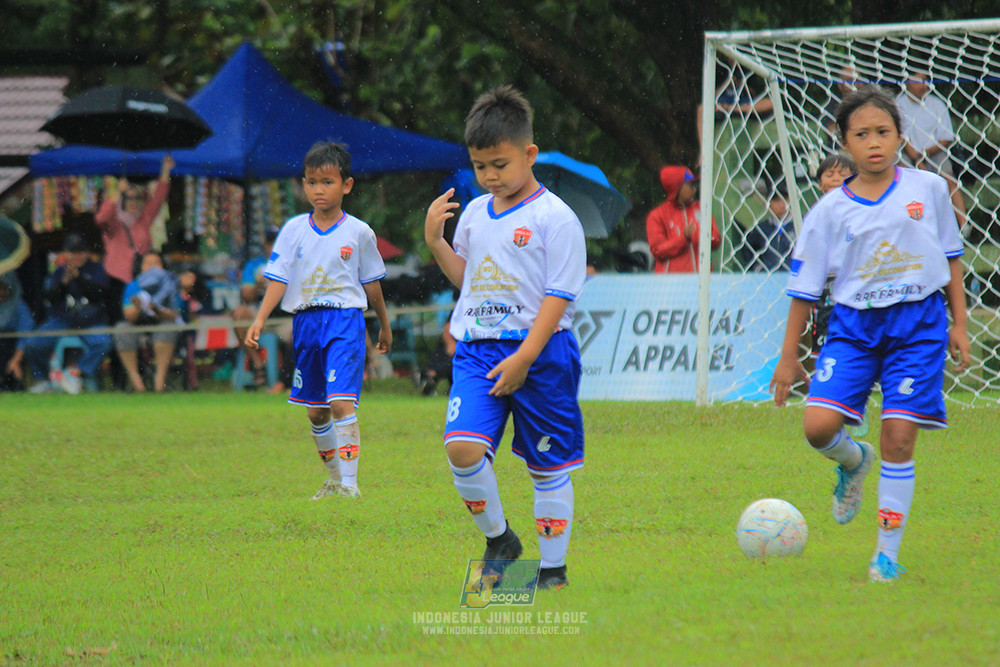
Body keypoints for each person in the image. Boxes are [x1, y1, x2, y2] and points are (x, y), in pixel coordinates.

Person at [770, 86, 970, 583]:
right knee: (817, 427)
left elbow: (951, 257)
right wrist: (788, 355)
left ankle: (885, 555)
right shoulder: (829, 211)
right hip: (854, 328)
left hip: (918, 326)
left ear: (901, 137)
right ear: (845, 142)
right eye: (862, 134)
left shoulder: (927, 189)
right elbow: (805, 287)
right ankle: (855, 460)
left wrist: (959, 323)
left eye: (883, 132)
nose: (874, 142)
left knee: (899, 436)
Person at [424, 85, 587, 591]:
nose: (490, 176)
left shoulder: (554, 218)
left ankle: (553, 573)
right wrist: (434, 241)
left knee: (546, 466)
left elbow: (559, 296)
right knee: (462, 451)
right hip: (477, 351)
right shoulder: (473, 213)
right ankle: (501, 541)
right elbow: (467, 279)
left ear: (529, 154)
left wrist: (524, 357)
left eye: (499, 164)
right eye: (480, 167)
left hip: (540, 354)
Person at [245, 142, 392, 500]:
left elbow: (371, 284)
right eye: (311, 182)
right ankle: (334, 480)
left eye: (326, 182)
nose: (318, 190)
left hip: (344, 321)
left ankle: (351, 486)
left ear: (347, 185)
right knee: (316, 411)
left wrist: (384, 325)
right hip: (305, 323)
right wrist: (260, 319)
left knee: (341, 402)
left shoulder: (359, 232)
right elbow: (277, 278)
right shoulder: (294, 229)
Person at [22, 234, 113, 393]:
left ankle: (74, 373)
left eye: (80, 252)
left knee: (104, 343)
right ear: (66, 253)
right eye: (73, 252)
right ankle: (43, 380)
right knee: (33, 343)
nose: (77, 256)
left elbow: (98, 294)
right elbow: (51, 298)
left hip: (91, 321)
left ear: (87, 253)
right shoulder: (59, 272)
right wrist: (64, 282)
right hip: (63, 320)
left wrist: (79, 277)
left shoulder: (97, 269)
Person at [94, 155, 175, 317]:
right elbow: (100, 218)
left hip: (140, 279)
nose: (133, 201)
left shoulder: (143, 218)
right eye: (128, 198)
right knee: (118, 317)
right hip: (116, 279)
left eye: (137, 198)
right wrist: (118, 192)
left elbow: (159, 197)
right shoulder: (115, 220)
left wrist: (165, 170)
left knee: (143, 315)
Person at [896, 70, 968, 228]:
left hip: (935, 151)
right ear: (907, 84)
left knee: (949, 180)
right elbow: (901, 137)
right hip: (908, 153)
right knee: (903, 177)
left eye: (925, 80)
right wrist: (917, 159)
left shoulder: (937, 104)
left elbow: (946, 138)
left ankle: (964, 225)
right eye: (917, 81)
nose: (923, 85)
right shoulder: (899, 104)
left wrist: (926, 154)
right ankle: (911, 223)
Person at [112, 252, 182, 393]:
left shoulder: (170, 284)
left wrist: (156, 310)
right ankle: (136, 382)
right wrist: (139, 308)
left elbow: (174, 315)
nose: (152, 267)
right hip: (138, 326)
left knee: (168, 328)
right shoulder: (133, 286)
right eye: (147, 263)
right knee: (122, 329)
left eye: (156, 263)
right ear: (141, 267)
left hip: (161, 324)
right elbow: (129, 316)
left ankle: (159, 380)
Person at [646, 166, 722, 273]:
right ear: (677, 188)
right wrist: (684, 238)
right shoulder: (657, 215)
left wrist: (707, 236)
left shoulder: (701, 208)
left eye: (695, 185)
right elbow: (658, 250)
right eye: (690, 185)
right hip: (671, 284)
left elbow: (716, 241)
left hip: (702, 282)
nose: (694, 189)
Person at [742, 182, 794, 272]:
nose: (781, 204)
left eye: (784, 199)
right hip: (769, 280)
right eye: (776, 200)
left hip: (795, 279)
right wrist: (758, 267)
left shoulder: (800, 225)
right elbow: (747, 249)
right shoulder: (762, 228)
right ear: (768, 203)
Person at [0, 271, 35, 391]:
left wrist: (15, 360)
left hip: (12, 347)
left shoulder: (19, 307)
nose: (1, 294)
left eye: (4, 289)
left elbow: (26, 335)